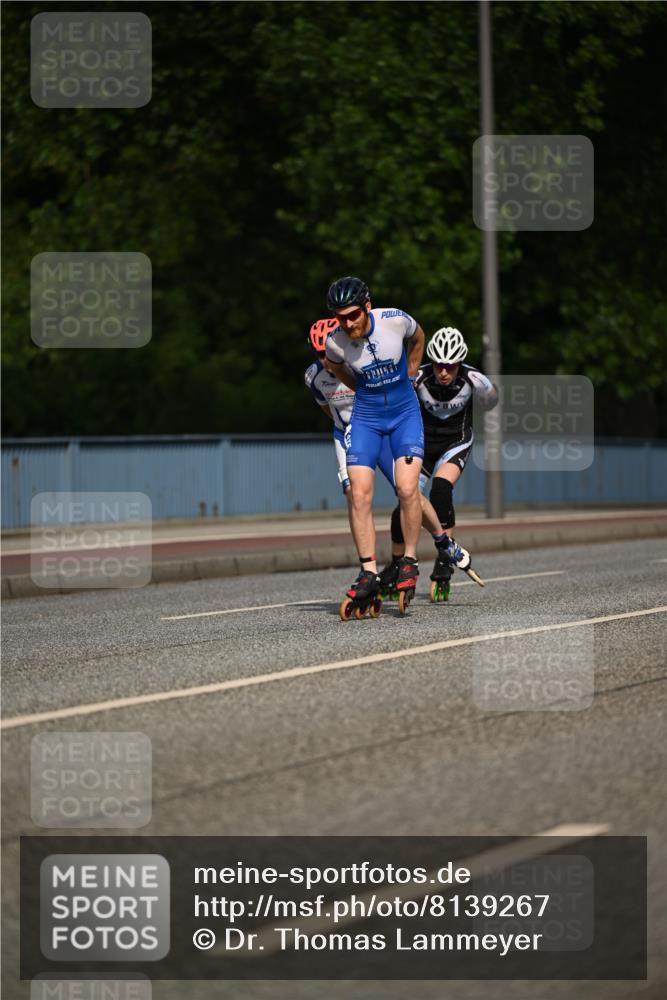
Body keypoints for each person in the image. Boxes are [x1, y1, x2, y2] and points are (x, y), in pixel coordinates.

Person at [323, 276, 425, 614]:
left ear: (367, 307)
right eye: (340, 317)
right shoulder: (335, 342)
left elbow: (418, 335)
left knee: (407, 489)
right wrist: (360, 388)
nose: (347, 323)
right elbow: (334, 366)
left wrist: (410, 370)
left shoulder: (394, 320)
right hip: (366, 417)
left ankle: (408, 559)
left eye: (353, 315)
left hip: (403, 413)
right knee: (359, 492)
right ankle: (368, 571)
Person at [380, 326, 498, 601]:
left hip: (455, 442)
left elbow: (493, 400)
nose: (444, 372)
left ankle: (444, 561)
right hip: (422, 444)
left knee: (441, 490)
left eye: (450, 366)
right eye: (439, 366)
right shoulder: (419, 377)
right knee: (405, 501)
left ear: (460, 364)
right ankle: (397, 563)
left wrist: (481, 405)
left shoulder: (474, 379)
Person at [304, 318, 396, 500]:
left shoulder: (362, 365)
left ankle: (439, 529)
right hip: (345, 433)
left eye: (329, 351)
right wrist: (344, 425)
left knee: (405, 490)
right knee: (353, 493)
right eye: (320, 354)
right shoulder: (313, 377)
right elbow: (326, 408)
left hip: (378, 431)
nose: (326, 359)